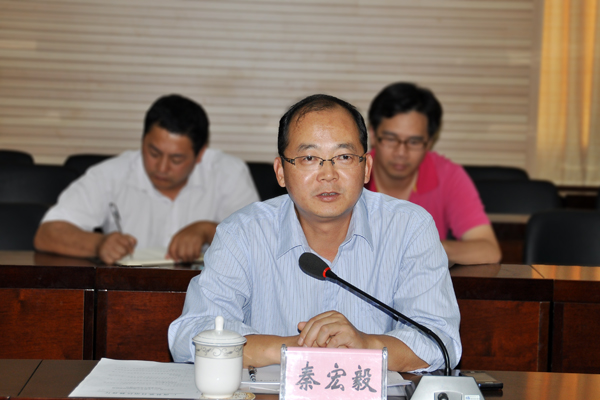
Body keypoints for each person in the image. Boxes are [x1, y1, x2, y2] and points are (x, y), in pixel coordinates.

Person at [168, 94, 461, 372]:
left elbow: (441, 340)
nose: (328, 174)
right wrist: (292, 349)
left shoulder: (409, 228)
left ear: (366, 167)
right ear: (280, 171)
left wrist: (367, 346)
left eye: (344, 156)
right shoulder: (242, 233)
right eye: (309, 158)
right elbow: (190, 334)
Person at [34, 94, 259, 264]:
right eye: (153, 152)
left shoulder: (228, 173)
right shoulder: (110, 174)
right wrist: (98, 244)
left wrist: (208, 230)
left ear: (200, 154)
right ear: (142, 141)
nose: (161, 167)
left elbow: (259, 245)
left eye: (176, 159)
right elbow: (47, 234)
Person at [366, 82, 501, 266]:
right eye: (390, 139)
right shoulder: (351, 173)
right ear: (373, 134)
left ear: (429, 142)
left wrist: (427, 246)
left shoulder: (448, 176)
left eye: (414, 142)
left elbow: (489, 250)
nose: (401, 152)